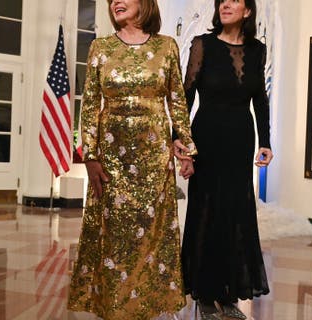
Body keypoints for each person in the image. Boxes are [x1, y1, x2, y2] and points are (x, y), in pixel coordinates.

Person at [67, 0, 196, 319]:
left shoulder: (167, 46)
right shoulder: (100, 47)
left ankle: (148, 305)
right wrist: (91, 155)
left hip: (154, 157)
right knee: (114, 234)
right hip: (111, 158)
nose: (116, 3)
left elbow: (177, 102)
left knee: (151, 231)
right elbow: (90, 104)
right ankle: (113, 305)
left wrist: (187, 147)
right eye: (112, 0)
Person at [177, 0, 273, 319]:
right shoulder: (202, 45)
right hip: (206, 139)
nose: (225, 5)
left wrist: (266, 142)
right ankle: (204, 294)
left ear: (247, 11)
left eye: (234, 0)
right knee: (205, 211)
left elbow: (260, 98)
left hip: (240, 141)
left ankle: (228, 293)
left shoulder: (258, 50)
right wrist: (183, 143)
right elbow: (187, 96)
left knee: (235, 214)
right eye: (222, 1)